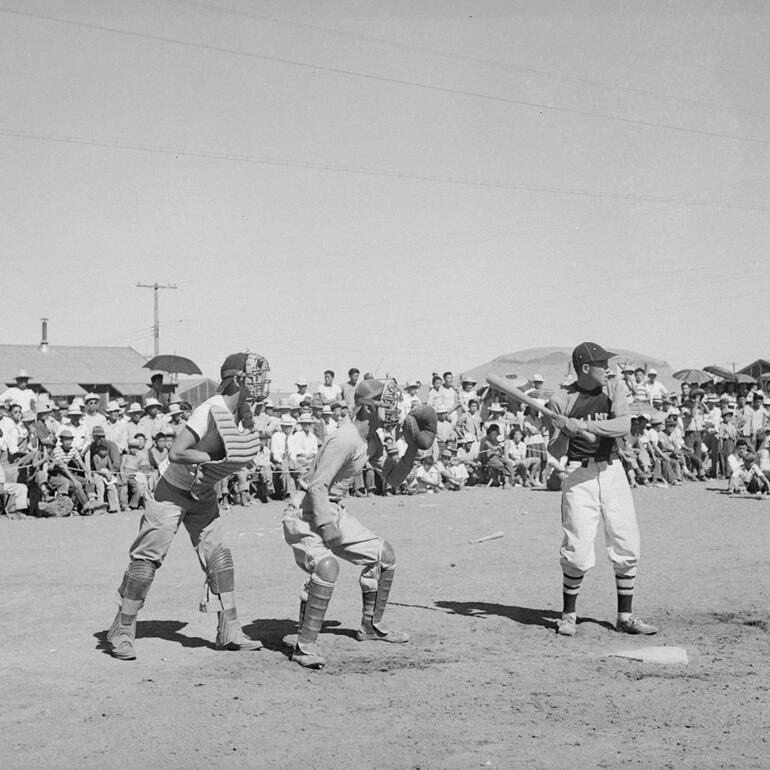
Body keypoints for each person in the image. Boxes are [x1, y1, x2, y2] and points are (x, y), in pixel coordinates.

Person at [106, 352, 271, 661]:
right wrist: (212, 459)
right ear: (237, 380)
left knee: (219, 559)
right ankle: (122, 628)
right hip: (171, 490)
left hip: (203, 493)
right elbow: (179, 451)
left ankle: (229, 629)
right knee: (145, 562)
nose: (261, 382)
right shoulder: (211, 409)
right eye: (254, 376)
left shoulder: (243, 412)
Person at [282, 378, 436, 669]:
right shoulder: (346, 437)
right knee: (327, 567)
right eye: (386, 403)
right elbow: (317, 486)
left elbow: (393, 478)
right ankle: (304, 645)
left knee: (384, 556)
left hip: (332, 509)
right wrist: (327, 527)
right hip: (305, 512)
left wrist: (415, 449)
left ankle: (370, 626)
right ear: (367, 407)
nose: (393, 409)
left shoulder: (372, 440)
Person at [546, 342, 657, 638]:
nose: (608, 369)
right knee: (578, 549)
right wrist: (563, 431)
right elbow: (555, 450)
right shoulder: (560, 399)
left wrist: (582, 425)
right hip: (578, 474)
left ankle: (626, 616)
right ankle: (568, 616)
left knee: (626, 542)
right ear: (585, 369)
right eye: (602, 364)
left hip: (612, 469)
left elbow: (622, 425)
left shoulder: (614, 388)